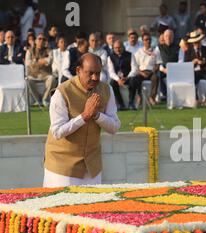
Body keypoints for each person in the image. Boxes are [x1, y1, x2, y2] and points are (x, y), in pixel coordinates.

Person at [43, 53, 121, 187]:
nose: (95, 78)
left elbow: (114, 127)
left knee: (92, 207)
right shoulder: (62, 92)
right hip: (62, 167)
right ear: (78, 70)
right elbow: (57, 132)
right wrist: (84, 116)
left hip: (92, 166)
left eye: (98, 73)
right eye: (90, 73)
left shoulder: (107, 90)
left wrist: (96, 115)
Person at [107, 39, 139, 110]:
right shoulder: (110, 57)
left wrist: (127, 77)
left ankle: (131, 103)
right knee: (112, 83)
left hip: (128, 77)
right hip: (118, 79)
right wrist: (118, 79)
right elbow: (111, 72)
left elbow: (135, 69)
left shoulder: (130, 55)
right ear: (113, 48)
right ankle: (120, 104)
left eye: (119, 47)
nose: (117, 49)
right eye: (115, 48)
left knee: (134, 81)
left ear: (123, 47)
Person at [25, 33, 55, 107]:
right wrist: (41, 61)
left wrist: (35, 61)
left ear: (45, 41)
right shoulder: (29, 50)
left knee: (52, 79)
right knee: (27, 80)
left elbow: (49, 61)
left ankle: (45, 99)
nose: (41, 40)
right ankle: (37, 99)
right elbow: (28, 63)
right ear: (35, 41)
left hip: (45, 74)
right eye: (39, 39)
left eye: (43, 39)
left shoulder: (49, 50)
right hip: (33, 75)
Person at [184, 30, 206, 106]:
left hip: (204, 70)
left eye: (198, 42)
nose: (196, 44)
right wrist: (193, 62)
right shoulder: (188, 51)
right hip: (194, 71)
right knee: (192, 80)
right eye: (195, 42)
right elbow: (186, 64)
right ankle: (196, 99)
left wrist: (204, 62)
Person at [133, 32, 159, 106]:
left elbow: (157, 65)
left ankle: (152, 97)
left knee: (156, 78)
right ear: (143, 41)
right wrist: (141, 73)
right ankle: (139, 97)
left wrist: (152, 72)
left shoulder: (156, 51)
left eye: (149, 39)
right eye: (146, 39)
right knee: (136, 79)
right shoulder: (138, 52)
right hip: (141, 72)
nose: (148, 41)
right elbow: (135, 66)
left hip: (152, 71)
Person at [158, 29, 179, 99]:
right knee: (158, 75)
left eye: (170, 36)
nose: (168, 38)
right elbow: (158, 61)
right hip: (164, 70)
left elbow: (181, 61)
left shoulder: (178, 47)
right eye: (166, 36)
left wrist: (173, 69)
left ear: (173, 37)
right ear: (163, 37)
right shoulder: (159, 48)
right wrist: (163, 69)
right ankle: (165, 94)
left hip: (176, 69)